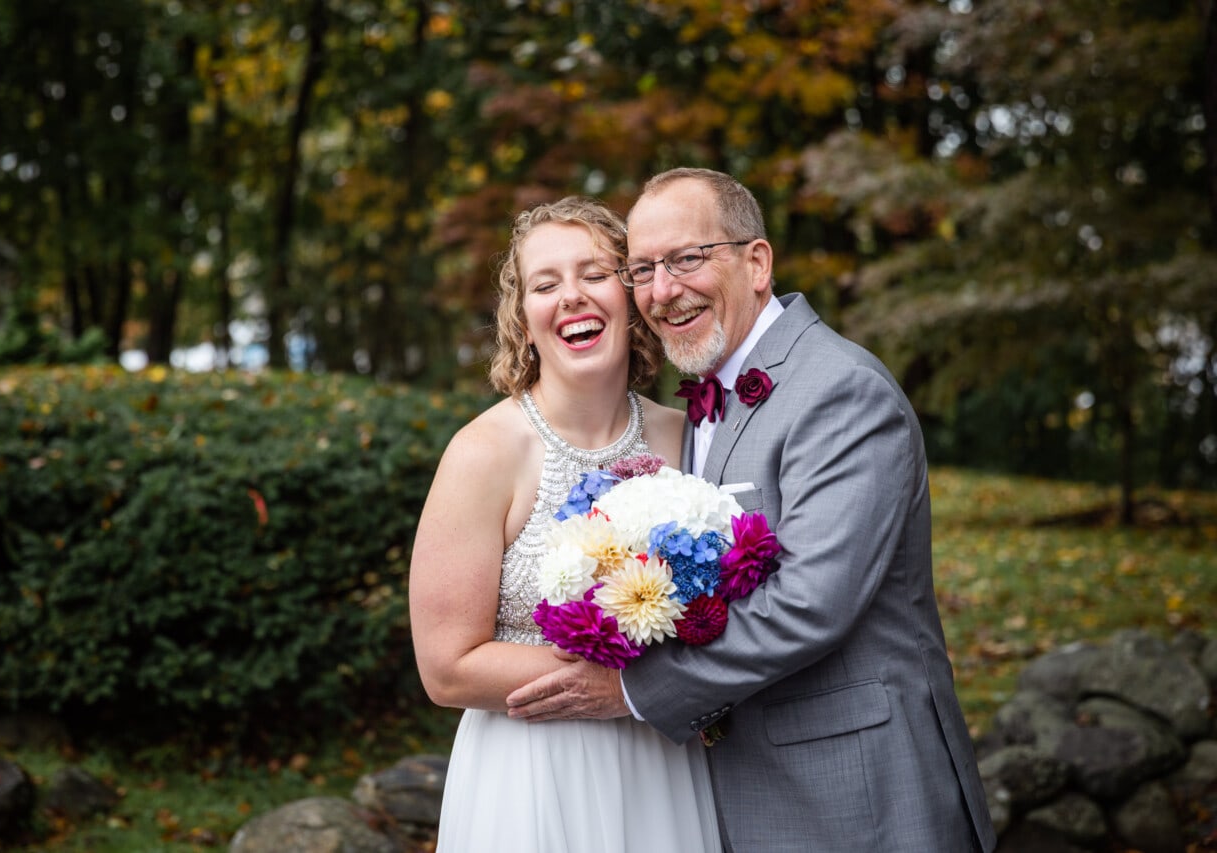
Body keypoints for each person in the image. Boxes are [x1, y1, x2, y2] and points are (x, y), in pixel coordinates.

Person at [505, 169, 998, 852]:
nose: (662, 290)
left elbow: (812, 601)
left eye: (686, 258)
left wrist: (636, 690)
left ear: (757, 262)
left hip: (860, 794)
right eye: (642, 269)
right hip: (741, 790)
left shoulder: (840, 391)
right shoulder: (699, 409)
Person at [409, 196, 722, 852]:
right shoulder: (484, 453)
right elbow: (446, 667)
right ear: (524, 320)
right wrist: (613, 681)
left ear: (632, 293)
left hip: (660, 764)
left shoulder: (687, 438)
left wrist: (646, 691)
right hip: (530, 774)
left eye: (594, 274)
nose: (572, 296)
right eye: (546, 284)